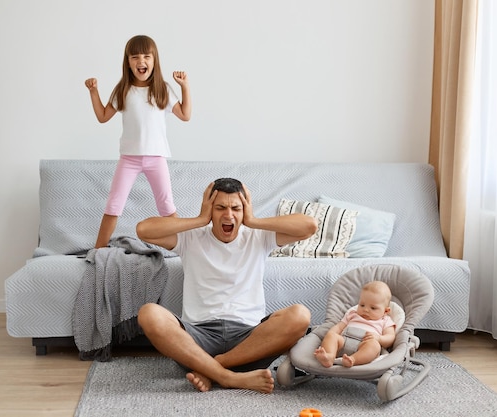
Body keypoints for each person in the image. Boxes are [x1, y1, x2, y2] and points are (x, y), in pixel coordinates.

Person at [136, 178, 318, 393]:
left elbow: (309, 226)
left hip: (249, 342)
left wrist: (253, 221)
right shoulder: (190, 237)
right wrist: (199, 219)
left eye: (236, 208)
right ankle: (229, 377)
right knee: (149, 313)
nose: (228, 215)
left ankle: (214, 368)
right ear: (210, 210)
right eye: (220, 207)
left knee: (300, 315)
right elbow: (144, 230)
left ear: (244, 211)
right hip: (197, 341)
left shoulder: (259, 237)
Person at [85, 34, 191, 248]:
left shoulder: (162, 89)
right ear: (128, 62)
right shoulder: (123, 89)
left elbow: (185, 115)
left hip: (156, 158)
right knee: (113, 206)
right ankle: (97, 251)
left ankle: (186, 248)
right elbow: (103, 116)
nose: (141, 61)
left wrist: (184, 87)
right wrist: (94, 92)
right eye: (135, 57)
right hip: (129, 159)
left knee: (167, 207)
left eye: (146, 56)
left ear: (154, 60)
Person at [314, 280, 396, 368]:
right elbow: (339, 326)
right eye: (362, 305)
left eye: (373, 308)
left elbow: (390, 337)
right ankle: (329, 356)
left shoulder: (385, 320)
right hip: (344, 341)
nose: (366, 310)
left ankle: (353, 359)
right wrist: (330, 334)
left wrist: (379, 339)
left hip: (364, 345)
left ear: (386, 311)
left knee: (374, 346)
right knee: (332, 335)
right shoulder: (352, 314)